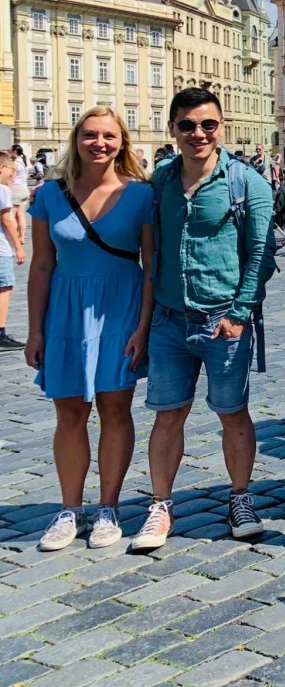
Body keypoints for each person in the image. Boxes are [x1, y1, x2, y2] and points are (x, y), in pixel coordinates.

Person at [130, 87, 275, 552]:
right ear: (172, 129)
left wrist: (238, 314)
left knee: (232, 413)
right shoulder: (160, 181)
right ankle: (160, 505)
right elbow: (147, 250)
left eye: (208, 125)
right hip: (170, 320)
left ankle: (240, 497)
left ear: (221, 128)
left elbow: (261, 254)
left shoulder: (247, 183)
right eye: (188, 125)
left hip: (223, 321)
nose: (198, 133)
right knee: (168, 415)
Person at [26, 107, 155, 551]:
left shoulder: (141, 196)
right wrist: (35, 330)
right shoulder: (47, 194)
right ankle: (69, 509)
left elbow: (151, 267)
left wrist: (143, 327)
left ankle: (108, 507)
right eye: (90, 135)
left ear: (122, 143)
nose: (99, 143)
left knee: (115, 410)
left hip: (121, 308)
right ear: (75, 139)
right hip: (64, 310)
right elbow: (42, 265)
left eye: (109, 136)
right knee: (70, 414)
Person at [0, 153, 27, 350]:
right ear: (2, 168)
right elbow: (7, 219)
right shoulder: (2, 190)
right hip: (1, 249)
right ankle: (0, 333)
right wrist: (18, 246)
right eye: (11, 169)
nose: (13, 173)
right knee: (4, 288)